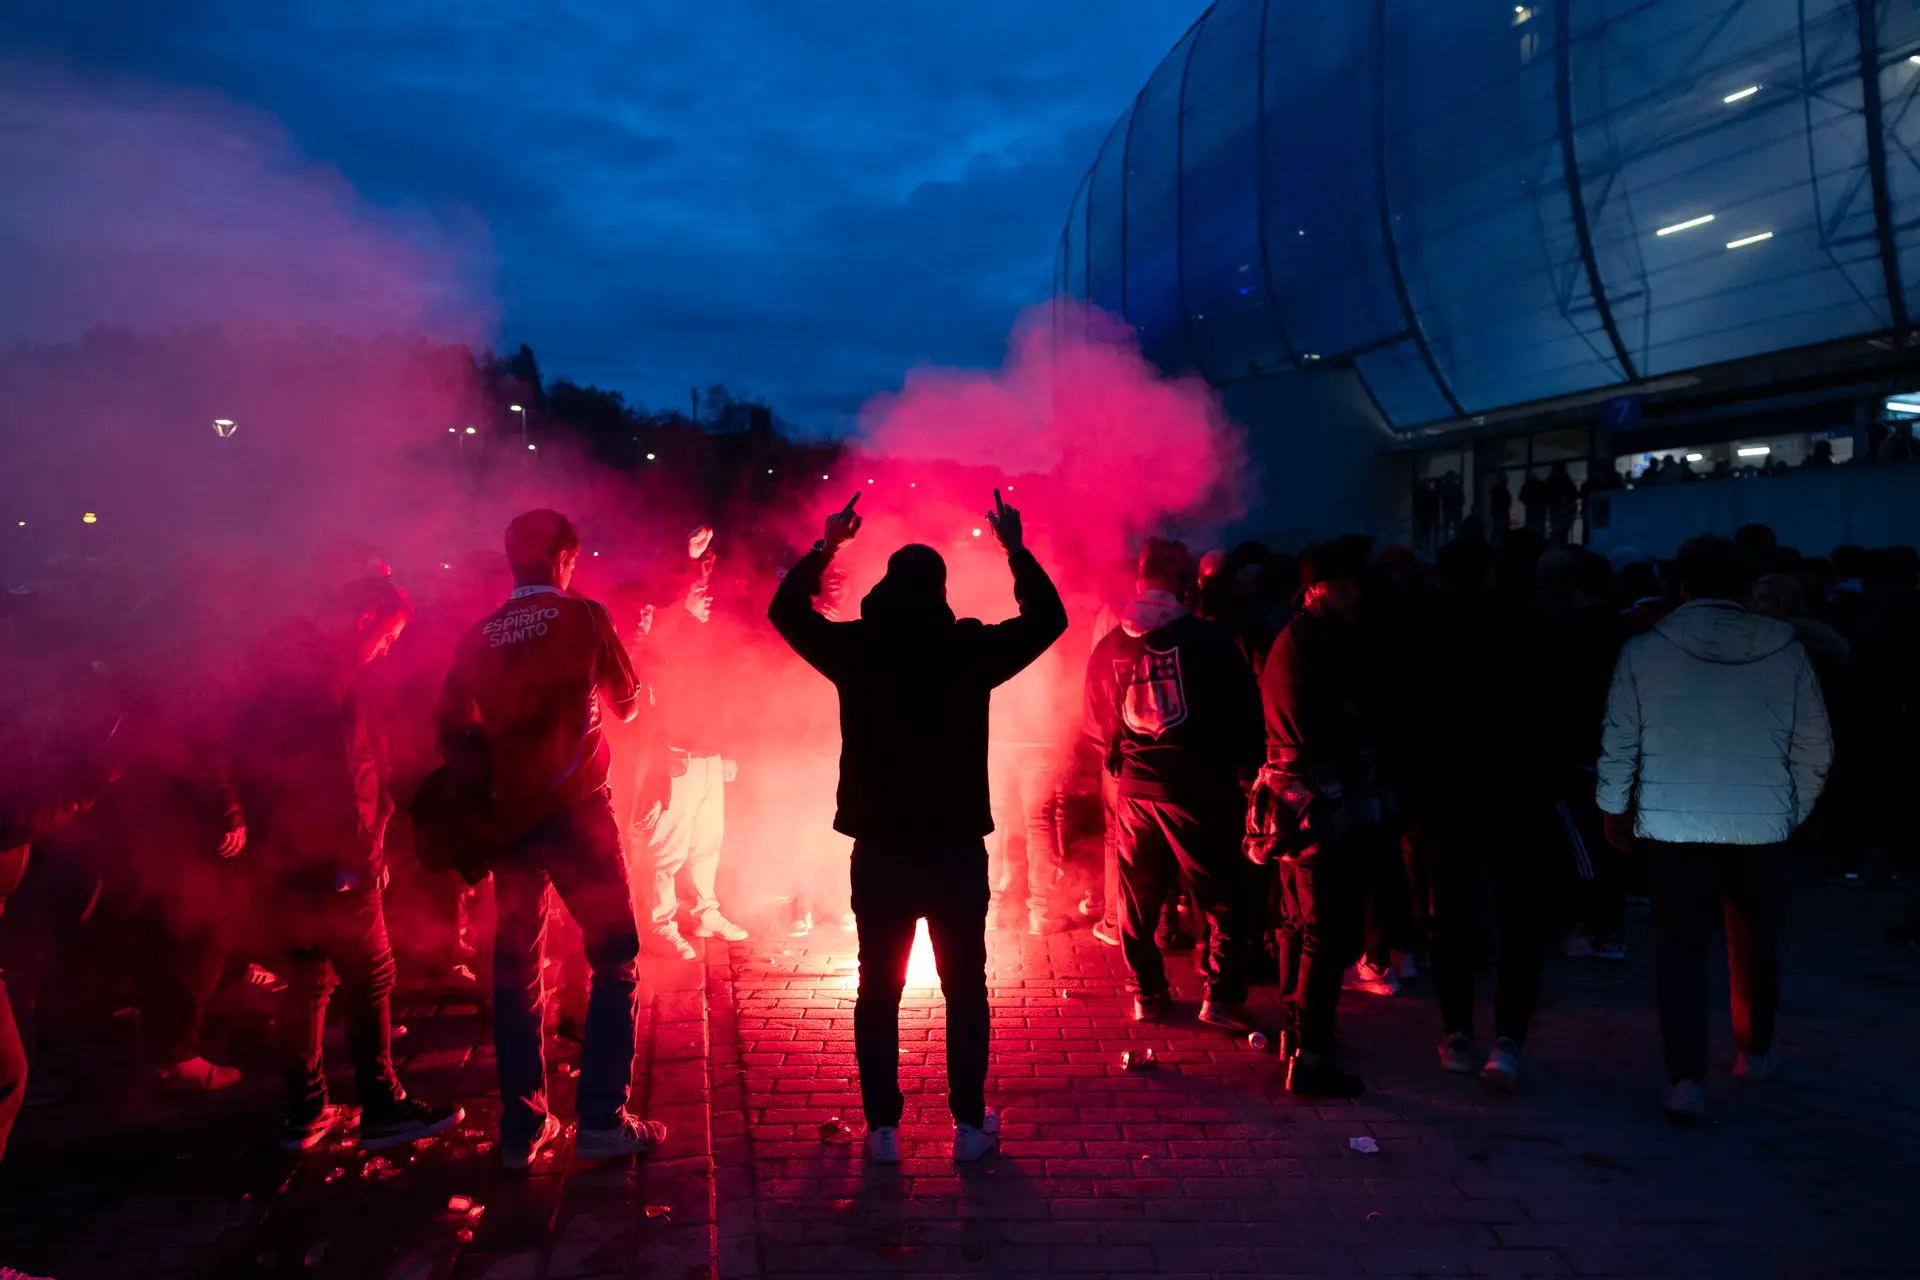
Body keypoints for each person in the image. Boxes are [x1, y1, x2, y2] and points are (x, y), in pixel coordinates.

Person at [769, 491, 1067, 1165]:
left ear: (884, 588)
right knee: (965, 987)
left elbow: (784, 612)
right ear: (939, 591)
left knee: (878, 987)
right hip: (955, 847)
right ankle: (968, 1124)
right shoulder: (967, 648)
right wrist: (1015, 550)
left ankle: (882, 1129)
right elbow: (1049, 619)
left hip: (880, 851)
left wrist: (827, 547)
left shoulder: (857, 647)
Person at [436, 509, 668, 1169]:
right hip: (577, 813)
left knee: (515, 971)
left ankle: (522, 1128)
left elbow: (449, 729)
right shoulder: (585, 618)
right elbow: (627, 703)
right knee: (614, 958)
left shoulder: (479, 634)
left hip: (510, 819)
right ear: (566, 558)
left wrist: (497, 777)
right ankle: (602, 1120)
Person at [1597, 535, 1832, 1121]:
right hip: (1759, 821)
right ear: (1744, 588)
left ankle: (1685, 1080)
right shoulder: (1785, 650)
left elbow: (1621, 739)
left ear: (1682, 585)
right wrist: (1792, 809)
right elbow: (1814, 744)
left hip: (1674, 819)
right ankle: (1755, 1050)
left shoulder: (1646, 650)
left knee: (1680, 949)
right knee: (1755, 939)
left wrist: (1614, 807)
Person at [231, 575, 462, 1153]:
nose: (386, 651)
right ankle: (383, 1107)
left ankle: (305, 1111)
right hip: (334, 860)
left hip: (283, 857)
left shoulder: (275, 659)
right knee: (371, 974)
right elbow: (346, 772)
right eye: (387, 637)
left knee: (305, 981)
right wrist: (364, 855)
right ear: (362, 618)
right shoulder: (328, 675)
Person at [1085, 539, 1265, 1032]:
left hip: (1136, 790)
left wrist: (1121, 756)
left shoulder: (1110, 646)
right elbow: (1245, 711)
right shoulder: (1209, 641)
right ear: (1184, 585)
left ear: (1139, 581)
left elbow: (1095, 721)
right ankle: (1221, 998)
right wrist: (1247, 768)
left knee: (1138, 901)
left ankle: (1147, 993)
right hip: (1199, 787)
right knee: (1222, 896)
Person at [1253, 542, 1387, 1099]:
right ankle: (1310, 1058)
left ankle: (1300, 1035)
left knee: (1300, 924)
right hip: (1319, 800)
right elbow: (1344, 722)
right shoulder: (1318, 643)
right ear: (1315, 589)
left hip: (1296, 797)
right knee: (1327, 935)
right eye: (1345, 586)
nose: (1356, 595)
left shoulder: (1298, 636)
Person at [644, 527, 748, 958]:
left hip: (708, 756)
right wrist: (688, 561)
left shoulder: (710, 634)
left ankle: (706, 913)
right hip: (678, 757)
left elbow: (727, 694)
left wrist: (728, 749)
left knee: (707, 844)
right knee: (667, 849)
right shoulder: (666, 634)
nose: (708, 596)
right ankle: (659, 923)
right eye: (699, 590)